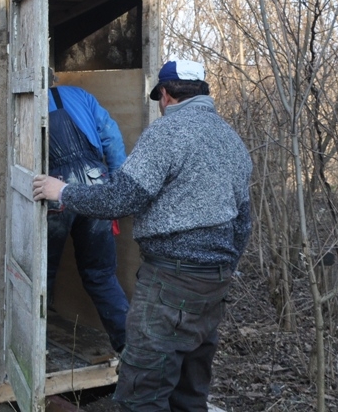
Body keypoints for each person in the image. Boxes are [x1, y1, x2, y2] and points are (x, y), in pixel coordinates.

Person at [33, 59, 252, 412]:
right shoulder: (230, 139)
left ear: (165, 95)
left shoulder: (166, 134)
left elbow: (123, 196)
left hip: (168, 278)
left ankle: (34, 348)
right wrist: (221, 271)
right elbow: (243, 221)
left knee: (143, 392)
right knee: (190, 388)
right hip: (214, 283)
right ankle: (122, 343)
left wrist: (62, 191)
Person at [45, 75, 129, 353]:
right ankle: (131, 349)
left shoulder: (25, 100)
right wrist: (117, 182)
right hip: (97, 184)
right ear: (53, 77)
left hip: (55, 188)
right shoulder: (81, 96)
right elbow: (111, 136)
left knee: (41, 274)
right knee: (101, 274)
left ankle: (36, 350)